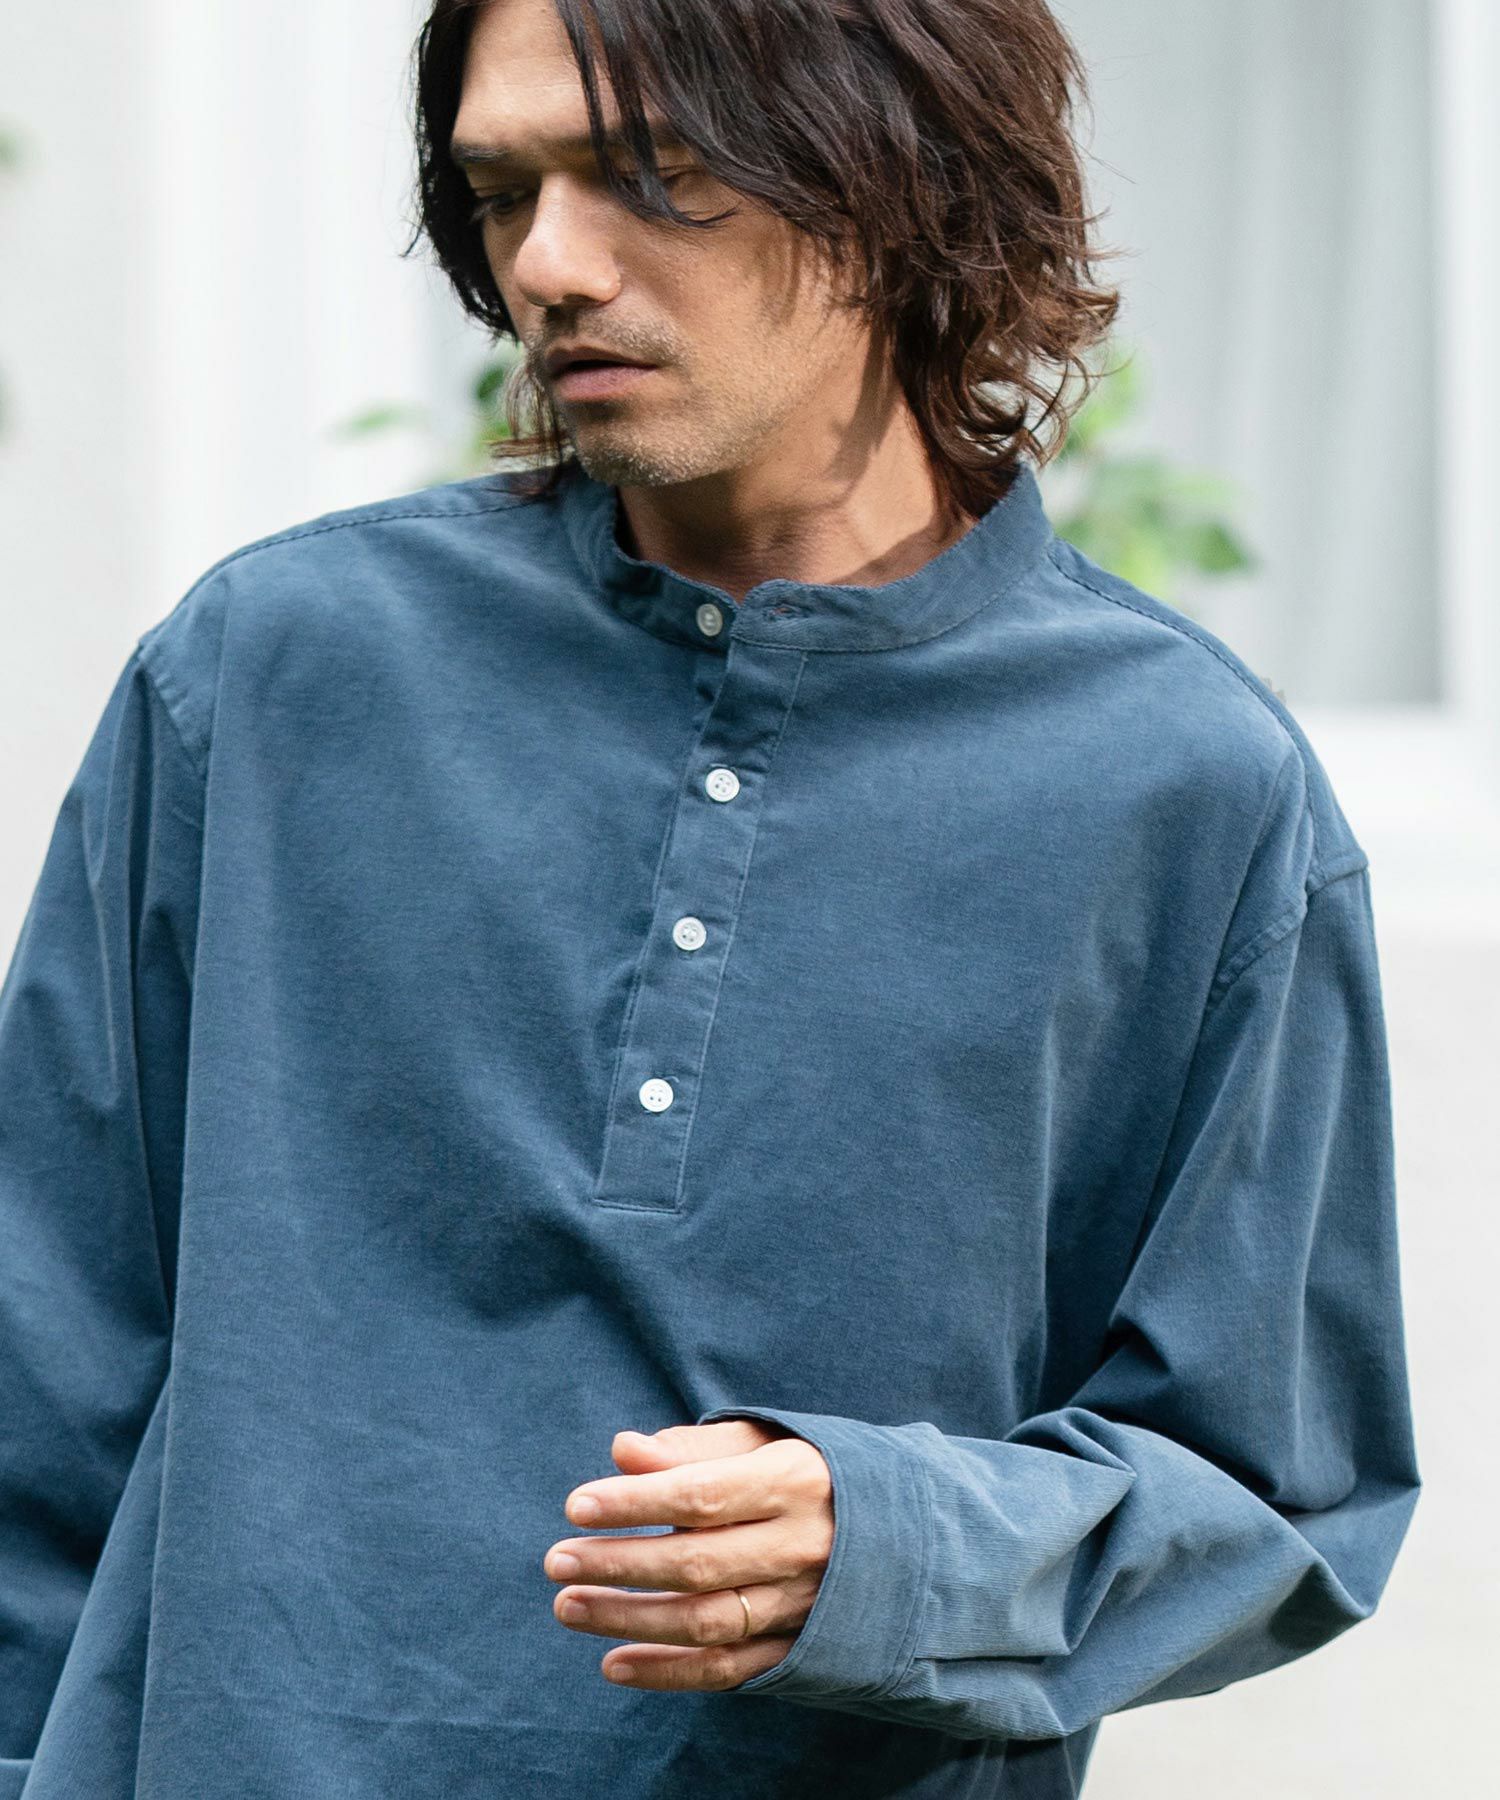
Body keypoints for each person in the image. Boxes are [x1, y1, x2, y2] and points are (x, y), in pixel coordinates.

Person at [0, 0, 1419, 1795]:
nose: (549, 263)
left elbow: (1280, 1492)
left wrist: (897, 1549)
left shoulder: (1189, 787)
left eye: (651, 174)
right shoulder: (269, 679)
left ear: (902, 181)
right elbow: (40, 1369)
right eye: (502, 191)